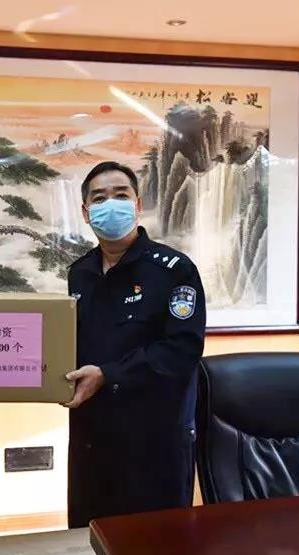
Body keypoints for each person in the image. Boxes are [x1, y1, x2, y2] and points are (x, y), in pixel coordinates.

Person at [64, 161, 206, 529]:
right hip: (93, 436)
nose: (110, 204)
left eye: (120, 195)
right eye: (99, 198)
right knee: (89, 537)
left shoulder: (174, 270)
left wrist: (109, 374)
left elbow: (182, 351)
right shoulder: (79, 273)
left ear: (137, 205)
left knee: (156, 542)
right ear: (86, 212)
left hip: (154, 439)